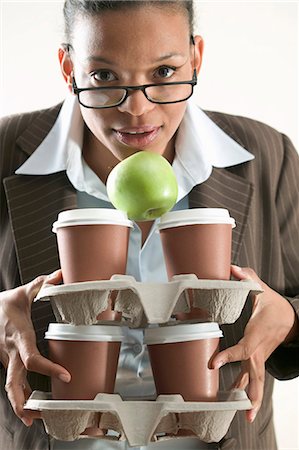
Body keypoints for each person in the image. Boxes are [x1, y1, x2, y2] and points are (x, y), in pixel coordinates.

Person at [0, 1, 298, 449]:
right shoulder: (5, 150)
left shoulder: (267, 156)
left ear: (195, 57)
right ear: (68, 68)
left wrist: (291, 319)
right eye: (104, 77)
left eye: (163, 73)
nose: (136, 109)